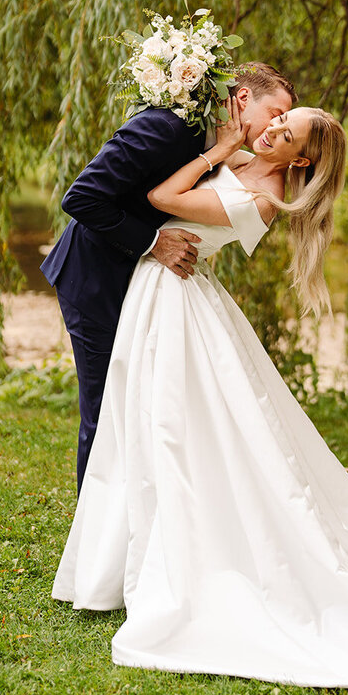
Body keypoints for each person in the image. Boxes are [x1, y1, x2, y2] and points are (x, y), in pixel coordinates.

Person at [52, 97, 348, 689]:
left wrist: (218, 151)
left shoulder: (261, 201)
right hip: (159, 291)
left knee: (174, 428)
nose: (274, 126)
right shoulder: (249, 162)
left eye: (288, 129)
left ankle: (180, 559)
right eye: (281, 116)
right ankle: (121, 555)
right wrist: (224, 150)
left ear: (302, 157)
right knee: (139, 422)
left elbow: (162, 201)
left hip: (176, 300)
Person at [41, 63, 296, 490]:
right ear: (244, 99)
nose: (276, 125)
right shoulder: (168, 128)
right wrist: (152, 242)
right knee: (105, 411)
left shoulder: (223, 145)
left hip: (148, 288)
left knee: (145, 409)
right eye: (276, 113)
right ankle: (95, 538)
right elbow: (81, 197)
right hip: (97, 276)